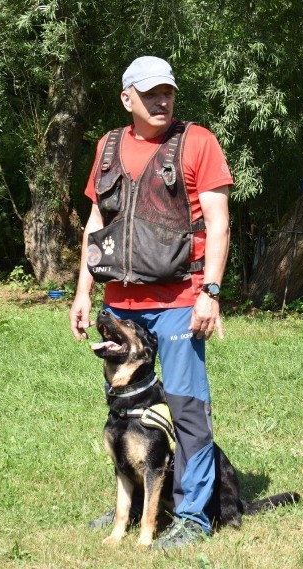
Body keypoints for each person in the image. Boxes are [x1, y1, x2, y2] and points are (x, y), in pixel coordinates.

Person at [69, 55, 232, 550]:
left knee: (186, 408)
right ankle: (136, 506)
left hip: (181, 298)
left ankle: (192, 517)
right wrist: (84, 290)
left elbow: (220, 223)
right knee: (128, 412)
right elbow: (97, 224)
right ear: (128, 98)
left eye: (168, 92)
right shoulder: (109, 146)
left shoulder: (197, 142)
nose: (162, 100)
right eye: (150, 93)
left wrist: (211, 292)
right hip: (120, 302)